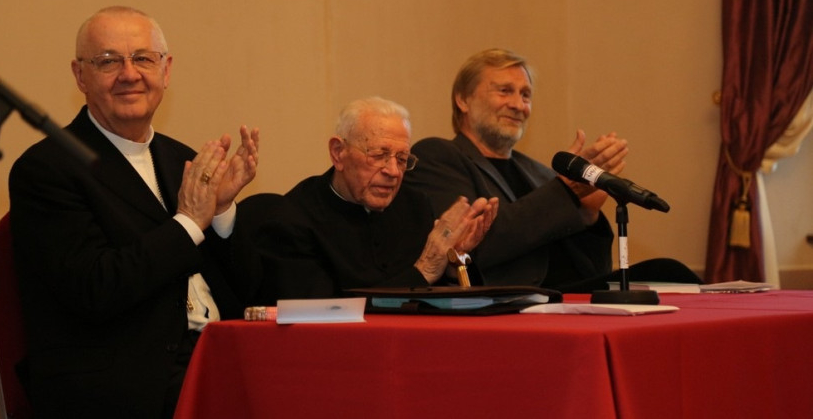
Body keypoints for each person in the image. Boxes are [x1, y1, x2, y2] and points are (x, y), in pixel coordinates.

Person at [8, 6, 262, 419]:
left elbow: (247, 294)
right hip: (120, 383)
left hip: (214, 358)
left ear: (166, 70)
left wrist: (220, 213)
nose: (129, 74)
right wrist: (188, 222)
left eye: (143, 58)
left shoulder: (181, 160)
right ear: (80, 76)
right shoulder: (47, 168)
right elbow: (95, 289)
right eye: (109, 61)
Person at [404, 48, 700, 291]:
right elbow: (475, 243)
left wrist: (587, 215)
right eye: (505, 91)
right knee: (667, 272)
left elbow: (592, 271)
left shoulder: (538, 172)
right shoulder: (437, 155)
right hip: (511, 298)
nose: (518, 105)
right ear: (463, 99)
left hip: (567, 295)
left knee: (669, 276)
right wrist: (566, 191)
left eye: (526, 95)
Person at [256, 96, 498, 301]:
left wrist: (453, 264)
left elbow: (443, 301)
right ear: (338, 153)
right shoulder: (292, 219)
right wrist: (423, 271)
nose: (393, 171)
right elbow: (324, 317)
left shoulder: (416, 206)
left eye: (402, 159)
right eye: (379, 155)